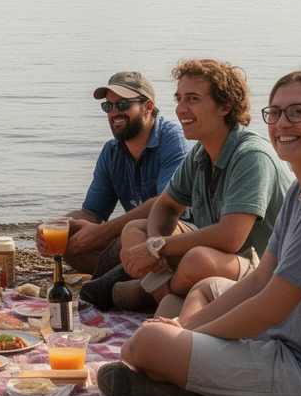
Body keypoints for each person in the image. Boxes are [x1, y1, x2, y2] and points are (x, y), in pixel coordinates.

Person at [98, 70, 301, 396]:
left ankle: (192, 387)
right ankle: (189, 385)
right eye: (274, 112)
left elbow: (271, 305)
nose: (282, 123)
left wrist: (187, 337)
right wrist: (184, 325)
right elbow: (258, 278)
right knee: (201, 295)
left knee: (146, 343)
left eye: (298, 112)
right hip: (294, 344)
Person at [94, 60, 293, 315]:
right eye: (178, 98)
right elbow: (166, 205)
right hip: (219, 261)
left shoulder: (251, 155)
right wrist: (154, 243)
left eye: (192, 99)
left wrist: (156, 249)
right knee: (134, 230)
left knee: (197, 260)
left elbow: (230, 237)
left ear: (225, 106)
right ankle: (167, 298)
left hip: (263, 269)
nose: (180, 108)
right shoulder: (201, 151)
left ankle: (149, 294)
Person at [35, 71, 187, 278]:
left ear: (148, 107)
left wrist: (99, 234)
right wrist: (56, 226)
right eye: (109, 106)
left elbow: (166, 203)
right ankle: (120, 274)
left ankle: (119, 275)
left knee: (127, 236)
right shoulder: (111, 151)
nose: (114, 112)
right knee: (69, 238)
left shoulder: (172, 139)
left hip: (179, 235)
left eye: (123, 104)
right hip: (134, 236)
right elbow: (90, 213)